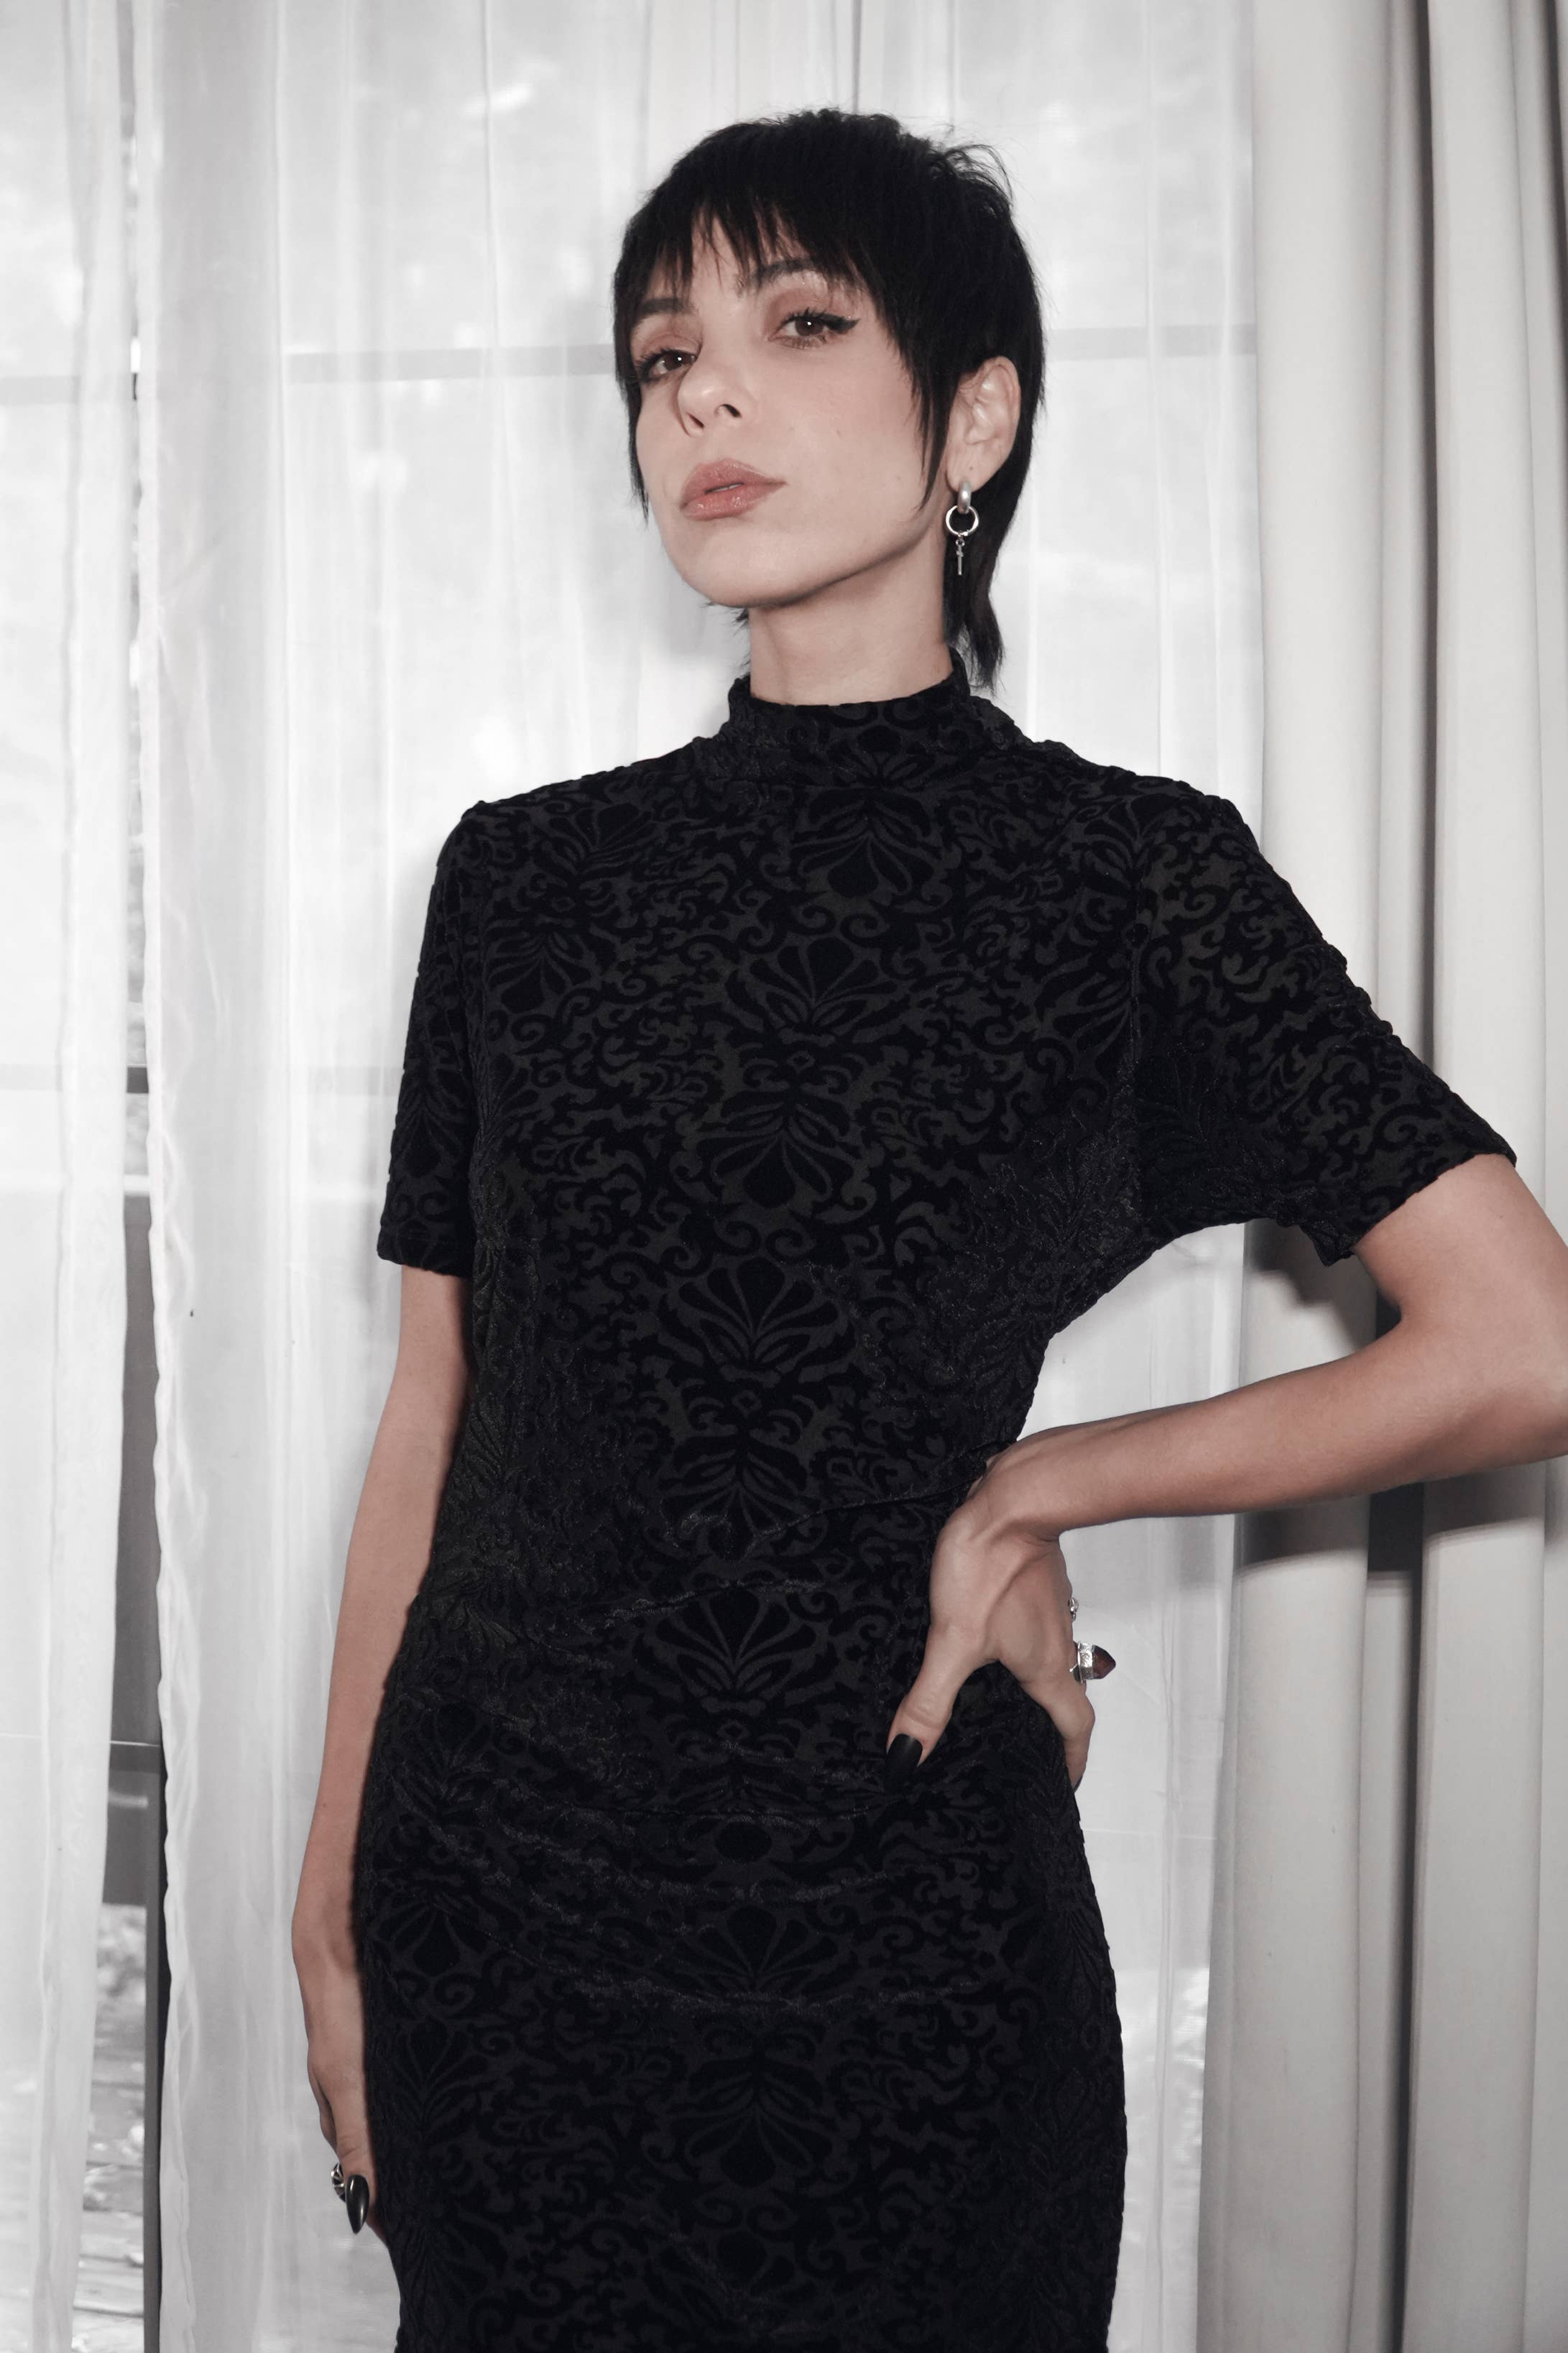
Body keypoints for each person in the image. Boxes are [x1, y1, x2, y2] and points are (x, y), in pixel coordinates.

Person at [291, 106, 1568, 2353]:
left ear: (976, 417)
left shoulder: (1135, 883)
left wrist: (1044, 1483)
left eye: (796, 325)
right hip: (500, 1918)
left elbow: (1518, 1340)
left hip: (915, 1962)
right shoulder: (521, 883)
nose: (704, 391)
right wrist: (328, 1911)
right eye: (663, 353)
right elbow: (439, 1415)